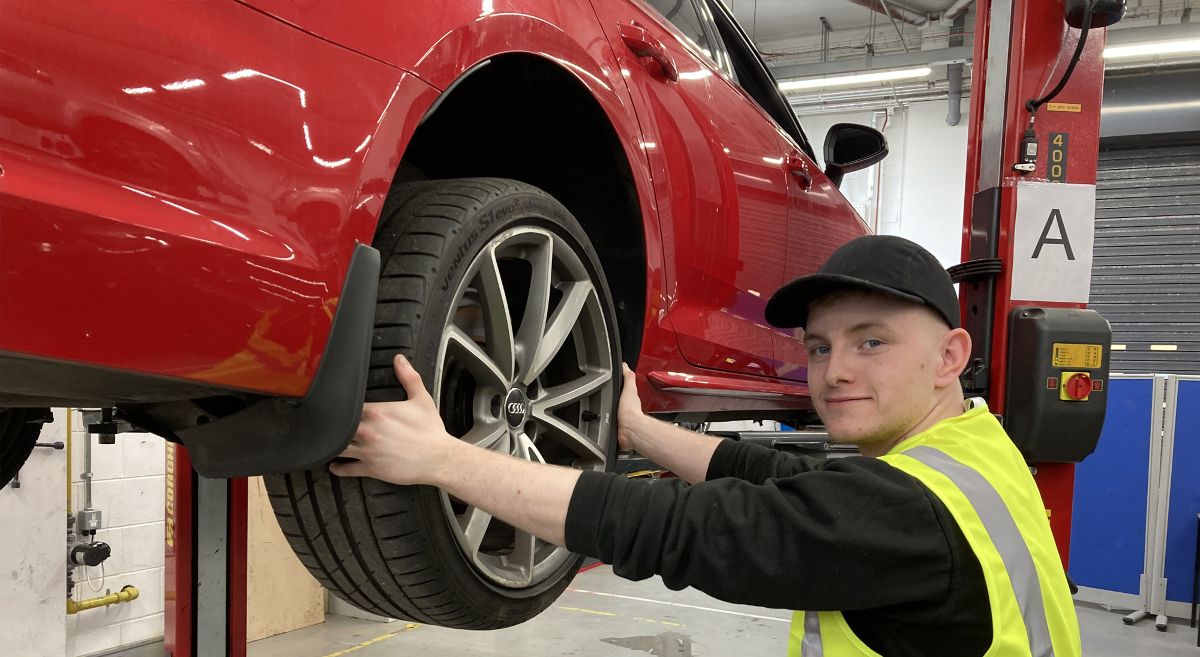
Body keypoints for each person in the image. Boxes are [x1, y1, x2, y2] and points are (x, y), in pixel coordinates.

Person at [330, 235, 1081, 657]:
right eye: (820, 347)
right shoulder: (976, 453)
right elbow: (785, 474)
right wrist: (643, 432)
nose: (836, 371)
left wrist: (441, 458)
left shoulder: (911, 514)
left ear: (951, 355)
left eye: (872, 341)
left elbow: (682, 529)